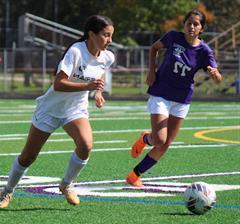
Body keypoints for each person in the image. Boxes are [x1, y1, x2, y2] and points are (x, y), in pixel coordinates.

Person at [0, 15, 115, 208]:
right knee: (28, 156)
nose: (110, 40)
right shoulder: (76, 51)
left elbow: (100, 71)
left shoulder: (108, 57)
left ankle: (67, 184)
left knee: (86, 145)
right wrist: (88, 86)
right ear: (91, 34)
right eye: (106, 35)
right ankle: (7, 191)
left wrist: (98, 91)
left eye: (111, 35)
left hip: (75, 110)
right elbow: (59, 84)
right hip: (50, 110)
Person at [126, 9, 222, 187]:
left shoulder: (204, 51)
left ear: (201, 29)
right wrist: (151, 71)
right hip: (161, 92)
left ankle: (134, 175)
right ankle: (146, 139)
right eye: (189, 23)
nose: (191, 27)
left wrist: (214, 74)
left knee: (166, 143)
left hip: (182, 99)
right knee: (160, 139)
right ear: (184, 25)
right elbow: (154, 48)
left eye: (196, 24)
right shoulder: (173, 37)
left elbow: (218, 79)